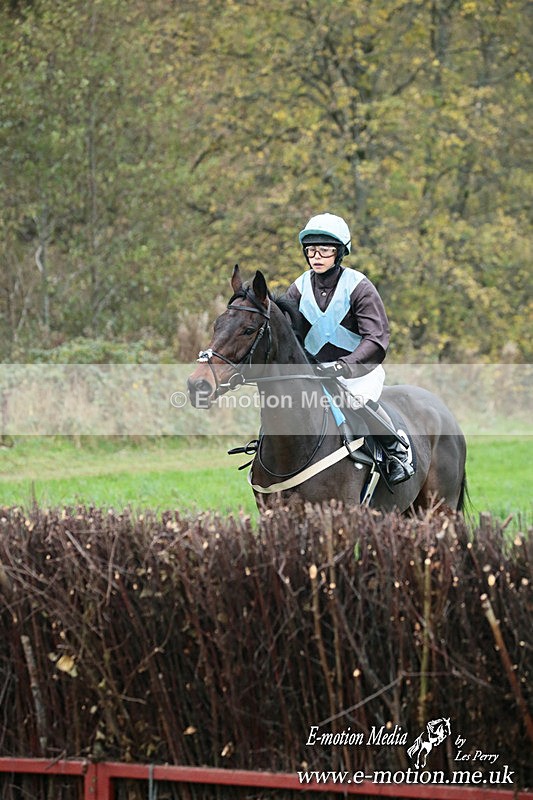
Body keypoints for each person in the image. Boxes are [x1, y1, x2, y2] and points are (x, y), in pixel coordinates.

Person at [283, 212, 414, 485]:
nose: (317, 256)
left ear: (340, 252)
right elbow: (288, 334)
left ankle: (396, 450)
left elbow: (376, 338)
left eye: (325, 250)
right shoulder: (298, 288)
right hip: (317, 373)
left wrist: (344, 366)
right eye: (311, 250)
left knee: (355, 401)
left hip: (358, 372)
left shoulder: (358, 286)